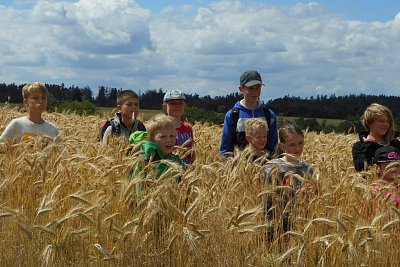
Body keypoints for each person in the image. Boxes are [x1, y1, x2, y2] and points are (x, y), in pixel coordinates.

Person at [264, 123, 312, 240]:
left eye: (301, 143)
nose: (297, 148)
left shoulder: (307, 168)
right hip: (278, 225)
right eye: (292, 145)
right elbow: (267, 200)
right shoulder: (273, 167)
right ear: (282, 145)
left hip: (301, 223)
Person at [220, 70, 278, 157]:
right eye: (250, 88)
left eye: (258, 87)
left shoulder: (269, 115)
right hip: (240, 169)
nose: (255, 92)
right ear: (241, 89)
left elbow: (273, 148)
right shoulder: (232, 115)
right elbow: (225, 150)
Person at [129, 114, 186, 181]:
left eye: (172, 136)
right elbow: (137, 186)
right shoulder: (144, 160)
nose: (169, 140)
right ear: (151, 139)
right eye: (163, 136)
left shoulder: (177, 161)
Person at [352, 103, 400, 172]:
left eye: (388, 121)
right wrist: (369, 144)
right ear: (369, 123)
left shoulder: (395, 144)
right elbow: (360, 169)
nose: (386, 124)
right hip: (371, 182)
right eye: (381, 121)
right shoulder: (359, 146)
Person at [162, 89, 195, 164]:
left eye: (180, 103)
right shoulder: (161, 128)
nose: (177, 106)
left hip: (187, 171)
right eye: (173, 103)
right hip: (169, 169)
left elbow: (192, 152)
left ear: (184, 106)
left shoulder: (188, 128)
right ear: (165, 106)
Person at [372, 146, 400, 212]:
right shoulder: (373, 192)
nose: (393, 168)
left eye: (396, 165)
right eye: (388, 164)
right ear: (377, 168)